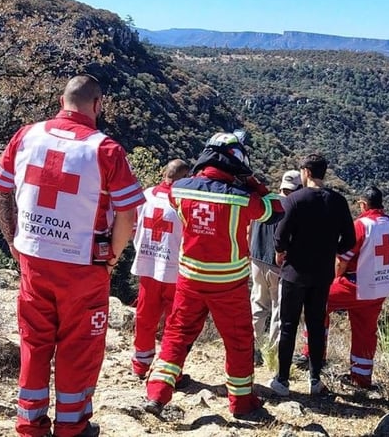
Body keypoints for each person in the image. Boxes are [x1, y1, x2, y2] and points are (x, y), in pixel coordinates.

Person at [0, 74, 143, 437]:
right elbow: (127, 214)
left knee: (34, 340)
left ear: (62, 99)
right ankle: (72, 427)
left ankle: (30, 423)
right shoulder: (105, 149)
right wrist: (113, 257)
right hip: (83, 265)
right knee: (79, 346)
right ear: (97, 104)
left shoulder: (26, 135)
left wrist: (13, 238)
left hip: (33, 259)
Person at [144, 131, 284, 418]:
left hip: (190, 278)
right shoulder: (243, 199)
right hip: (228, 283)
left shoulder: (180, 190)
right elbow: (275, 208)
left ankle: (157, 393)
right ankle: (241, 403)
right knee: (238, 342)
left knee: (176, 335)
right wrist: (253, 182)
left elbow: (179, 193)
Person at [269, 154, 356, 396]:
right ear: (323, 173)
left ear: (305, 172)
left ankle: (282, 380)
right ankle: (315, 379)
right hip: (322, 275)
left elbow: (280, 235)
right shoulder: (338, 202)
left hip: (294, 273)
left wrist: (281, 252)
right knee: (316, 326)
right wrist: (332, 250)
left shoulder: (294, 200)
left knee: (288, 325)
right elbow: (349, 240)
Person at [319, 186, 389, 388]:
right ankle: (361, 377)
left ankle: (313, 355)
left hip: (356, 285)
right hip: (382, 286)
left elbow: (342, 260)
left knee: (316, 301)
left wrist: (331, 278)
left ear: (363, 204)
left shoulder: (361, 225)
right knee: (365, 331)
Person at [129, 159, 191, 379]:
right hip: (174, 270)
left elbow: (132, 227)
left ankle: (140, 365)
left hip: (147, 266)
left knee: (145, 318)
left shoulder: (145, 196)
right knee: (175, 323)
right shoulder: (183, 202)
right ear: (183, 178)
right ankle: (171, 371)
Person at [249, 170, 302, 366]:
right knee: (280, 308)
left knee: (258, 304)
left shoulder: (264, 201)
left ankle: (251, 349)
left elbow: (250, 229)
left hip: (256, 259)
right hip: (277, 264)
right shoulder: (291, 207)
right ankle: (274, 353)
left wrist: (250, 254)